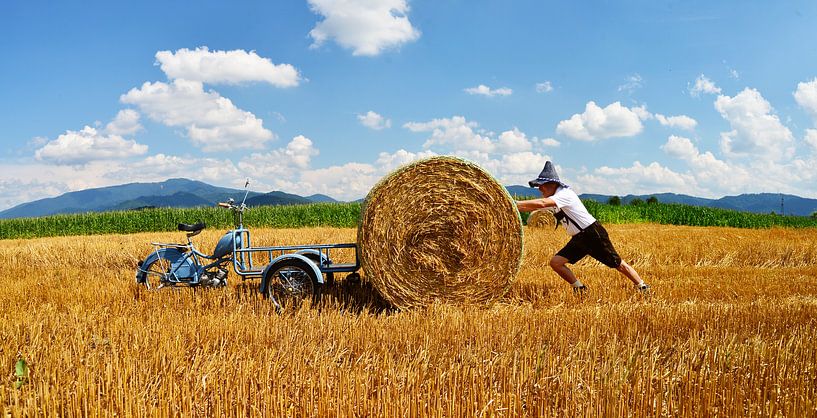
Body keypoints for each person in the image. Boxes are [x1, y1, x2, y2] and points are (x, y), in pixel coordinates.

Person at [515, 161, 650, 293]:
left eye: (541, 185)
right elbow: (532, 207)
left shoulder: (564, 194)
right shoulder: (555, 199)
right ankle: (580, 289)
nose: (539, 189)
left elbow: (542, 203)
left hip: (592, 234)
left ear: (552, 184)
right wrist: (510, 208)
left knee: (617, 263)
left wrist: (514, 203)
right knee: (556, 263)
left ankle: (642, 286)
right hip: (579, 238)